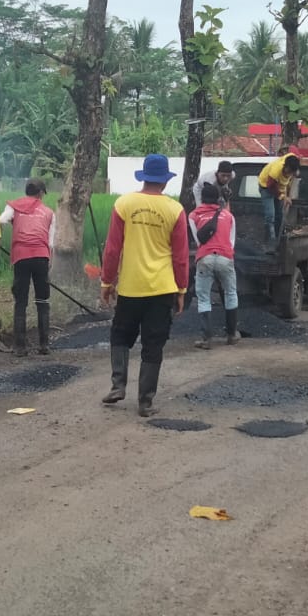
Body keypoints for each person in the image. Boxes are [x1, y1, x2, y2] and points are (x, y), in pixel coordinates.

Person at [100, 154, 189, 418]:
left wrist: (107, 281)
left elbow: (113, 249)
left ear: (144, 177)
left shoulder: (124, 204)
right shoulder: (175, 210)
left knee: (120, 335)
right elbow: (181, 256)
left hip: (130, 287)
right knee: (154, 343)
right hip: (162, 289)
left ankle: (118, 385)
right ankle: (145, 402)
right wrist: (182, 290)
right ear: (164, 181)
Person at [0, 179, 56, 357]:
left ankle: (19, 347)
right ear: (40, 193)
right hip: (41, 257)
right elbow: (51, 243)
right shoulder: (49, 212)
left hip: (21, 257)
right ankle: (44, 345)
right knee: (42, 301)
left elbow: (1, 220)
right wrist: (49, 263)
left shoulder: (14, 207)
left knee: (21, 302)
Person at [189, 182, 239, 349]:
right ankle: (232, 335)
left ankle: (206, 339)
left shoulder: (193, 216)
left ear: (202, 198)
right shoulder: (229, 216)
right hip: (226, 257)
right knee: (231, 293)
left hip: (205, 258)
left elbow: (198, 241)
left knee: (204, 298)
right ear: (218, 198)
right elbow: (232, 242)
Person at [257, 153, 301, 243]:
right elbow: (270, 186)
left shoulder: (293, 165)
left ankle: (278, 238)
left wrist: (286, 195)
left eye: (291, 172)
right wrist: (283, 197)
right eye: (288, 171)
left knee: (279, 215)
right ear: (285, 166)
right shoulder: (276, 170)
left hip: (280, 188)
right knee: (270, 215)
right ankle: (269, 241)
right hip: (266, 187)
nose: (288, 174)